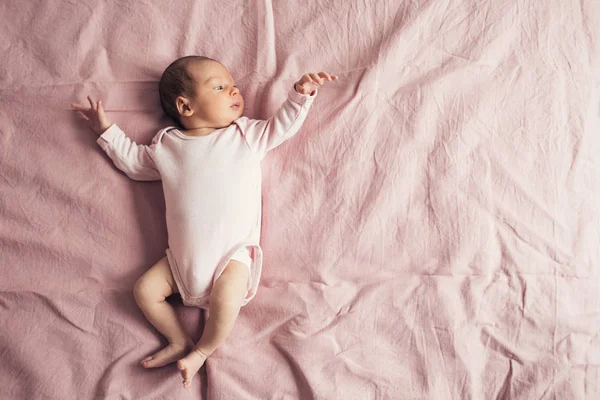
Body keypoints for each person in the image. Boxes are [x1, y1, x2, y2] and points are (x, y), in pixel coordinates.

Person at [71, 56, 337, 389]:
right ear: (185, 106)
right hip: (180, 263)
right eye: (220, 86)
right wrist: (105, 131)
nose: (234, 90)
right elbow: (135, 163)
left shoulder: (245, 135)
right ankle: (178, 339)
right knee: (144, 290)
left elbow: (280, 126)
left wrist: (301, 94)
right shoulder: (167, 145)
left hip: (233, 256)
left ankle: (203, 349)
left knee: (226, 300)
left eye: (233, 85)